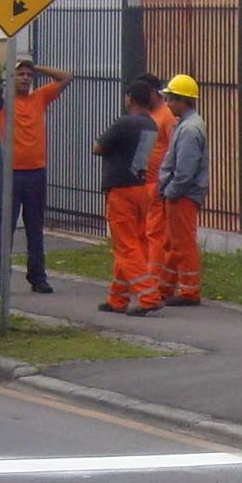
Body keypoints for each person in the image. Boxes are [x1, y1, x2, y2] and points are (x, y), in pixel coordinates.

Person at [0, 59, 71, 296]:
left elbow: (66, 76)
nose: (25, 78)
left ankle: (37, 277)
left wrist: (39, 68)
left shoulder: (40, 97)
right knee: (4, 227)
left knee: (35, 228)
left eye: (28, 74)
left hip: (36, 171)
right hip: (10, 173)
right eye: (21, 73)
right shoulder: (3, 102)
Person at [91, 79, 163, 316]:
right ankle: (118, 298)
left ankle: (148, 295)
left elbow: (98, 147)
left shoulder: (125, 122)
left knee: (126, 246)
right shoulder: (151, 124)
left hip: (121, 189)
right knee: (136, 242)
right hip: (140, 187)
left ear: (130, 98)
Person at [156, 74, 208, 306]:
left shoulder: (189, 129)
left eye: (171, 99)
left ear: (183, 101)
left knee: (183, 243)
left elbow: (185, 170)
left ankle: (189, 291)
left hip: (182, 194)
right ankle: (165, 288)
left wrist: (171, 190)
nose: (167, 104)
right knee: (174, 243)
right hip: (180, 193)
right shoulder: (188, 125)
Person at [136, 72, 177, 284]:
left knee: (156, 234)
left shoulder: (166, 116)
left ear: (152, 93)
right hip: (146, 183)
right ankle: (148, 275)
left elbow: (172, 149)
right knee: (145, 233)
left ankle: (155, 279)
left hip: (157, 184)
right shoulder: (150, 114)